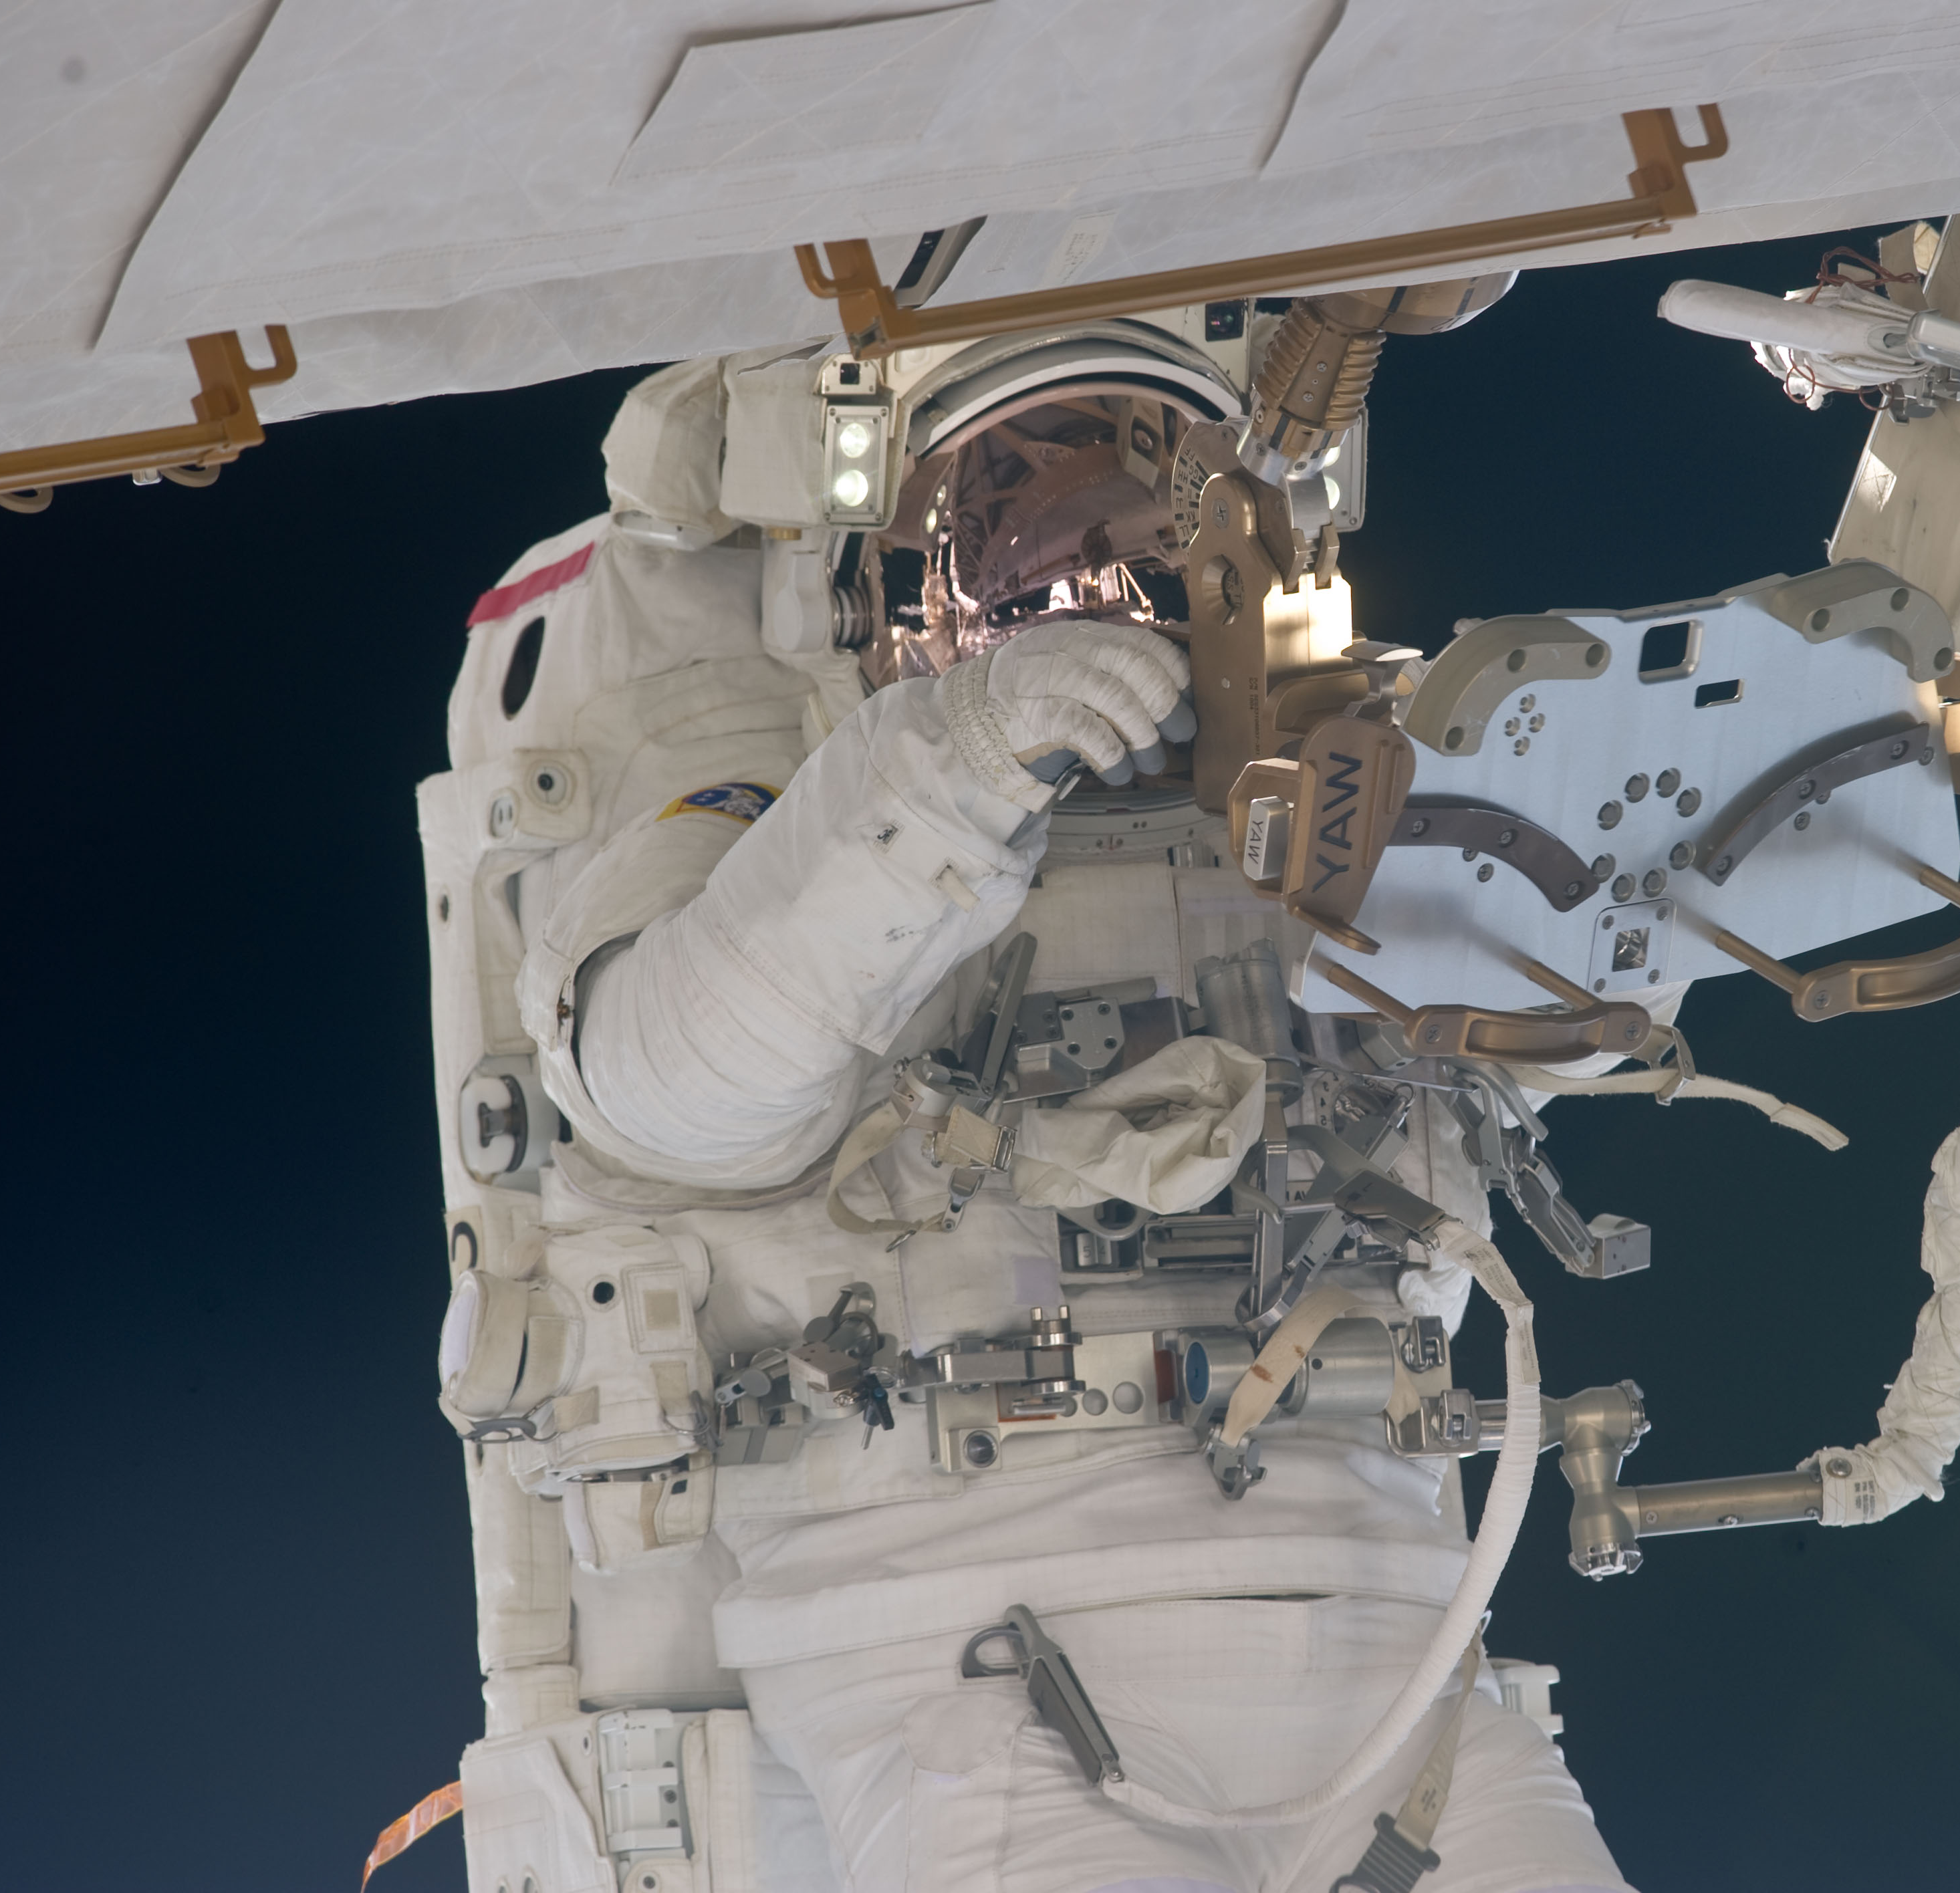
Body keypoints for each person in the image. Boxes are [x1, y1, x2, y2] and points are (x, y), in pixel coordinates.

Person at [428, 355, 1633, 1893]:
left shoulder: (1330, 785)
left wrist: (1598, 918)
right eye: (1019, 492)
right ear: (885, 561)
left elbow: (1527, 1056)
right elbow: (671, 1084)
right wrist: (949, 767)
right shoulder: (761, 790)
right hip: (975, 1646)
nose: (1095, 559)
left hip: (1392, 1639)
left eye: (1143, 501)